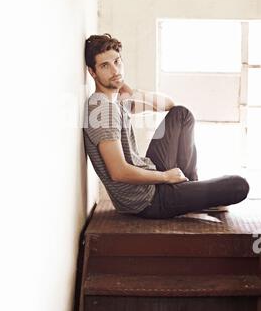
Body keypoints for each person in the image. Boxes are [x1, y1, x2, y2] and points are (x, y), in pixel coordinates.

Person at [83, 33, 250, 219]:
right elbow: (118, 172)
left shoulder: (116, 101)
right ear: (92, 72)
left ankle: (188, 187)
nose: (115, 70)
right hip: (146, 201)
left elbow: (169, 104)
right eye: (105, 66)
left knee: (181, 114)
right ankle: (188, 193)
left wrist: (133, 92)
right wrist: (166, 177)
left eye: (117, 61)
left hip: (150, 181)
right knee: (239, 186)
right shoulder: (103, 110)